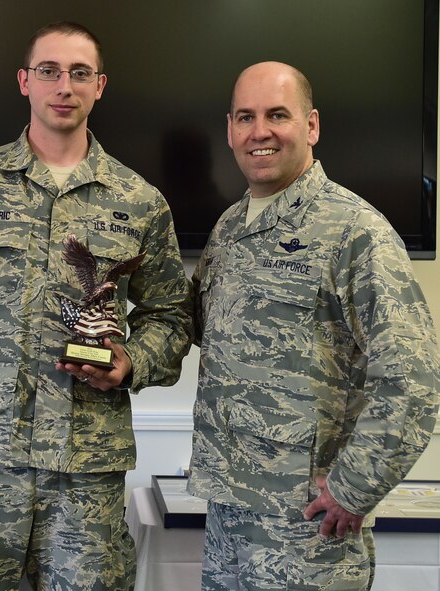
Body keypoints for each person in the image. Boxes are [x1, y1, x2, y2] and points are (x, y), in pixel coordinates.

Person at [0, 21, 193, 591]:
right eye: (49, 71)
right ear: (24, 81)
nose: (64, 86)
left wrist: (132, 362)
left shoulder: (140, 201)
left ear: (100, 86)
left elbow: (172, 317)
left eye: (79, 73)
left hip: (86, 469)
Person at [189, 61, 440, 590]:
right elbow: (198, 331)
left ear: (312, 126)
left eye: (277, 114)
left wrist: (353, 488)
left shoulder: (356, 232)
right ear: (230, 129)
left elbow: (413, 379)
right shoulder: (230, 228)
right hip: (228, 524)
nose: (260, 132)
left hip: (307, 537)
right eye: (245, 117)